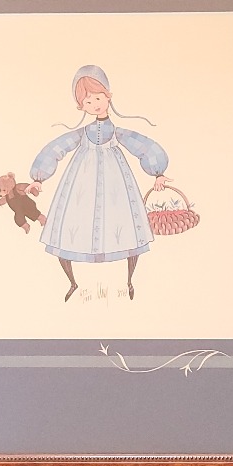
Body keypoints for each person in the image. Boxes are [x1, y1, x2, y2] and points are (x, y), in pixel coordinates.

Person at [26, 65, 171, 301]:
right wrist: (38, 178)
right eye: (87, 101)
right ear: (81, 106)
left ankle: (129, 281)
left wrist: (158, 173)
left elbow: (142, 146)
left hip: (116, 182)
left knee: (126, 225)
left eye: (97, 97)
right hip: (81, 182)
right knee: (69, 226)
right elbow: (56, 148)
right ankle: (73, 283)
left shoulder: (118, 132)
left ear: (108, 96)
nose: (94, 104)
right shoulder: (81, 133)